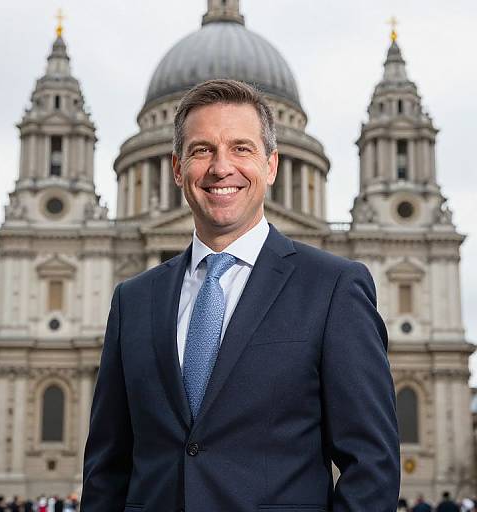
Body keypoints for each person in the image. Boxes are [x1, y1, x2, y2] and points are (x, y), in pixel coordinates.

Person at [81, 79, 400, 511]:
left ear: (271, 165)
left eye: (241, 148)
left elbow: (372, 465)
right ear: (177, 168)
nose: (220, 168)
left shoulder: (334, 288)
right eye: (202, 150)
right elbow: (106, 467)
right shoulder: (132, 301)